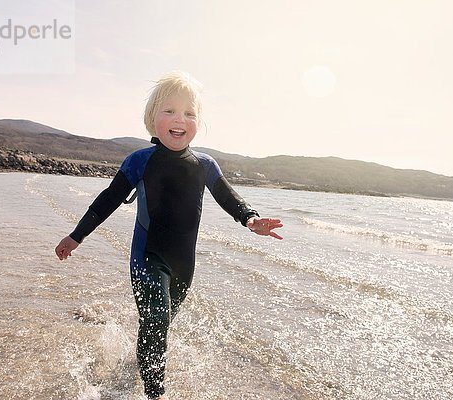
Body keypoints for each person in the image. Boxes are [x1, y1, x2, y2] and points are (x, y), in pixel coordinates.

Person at [55, 71, 283, 400]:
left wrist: (251, 219)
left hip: (183, 265)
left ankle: (141, 361)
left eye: (189, 113)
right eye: (170, 111)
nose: (180, 119)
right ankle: (154, 392)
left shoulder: (205, 165)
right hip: (147, 256)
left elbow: (229, 197)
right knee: (157, 316)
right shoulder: (139, 161)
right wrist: (76, 236)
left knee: (159, 321)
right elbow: (108, 199)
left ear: (198, 122)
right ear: (152, 119)